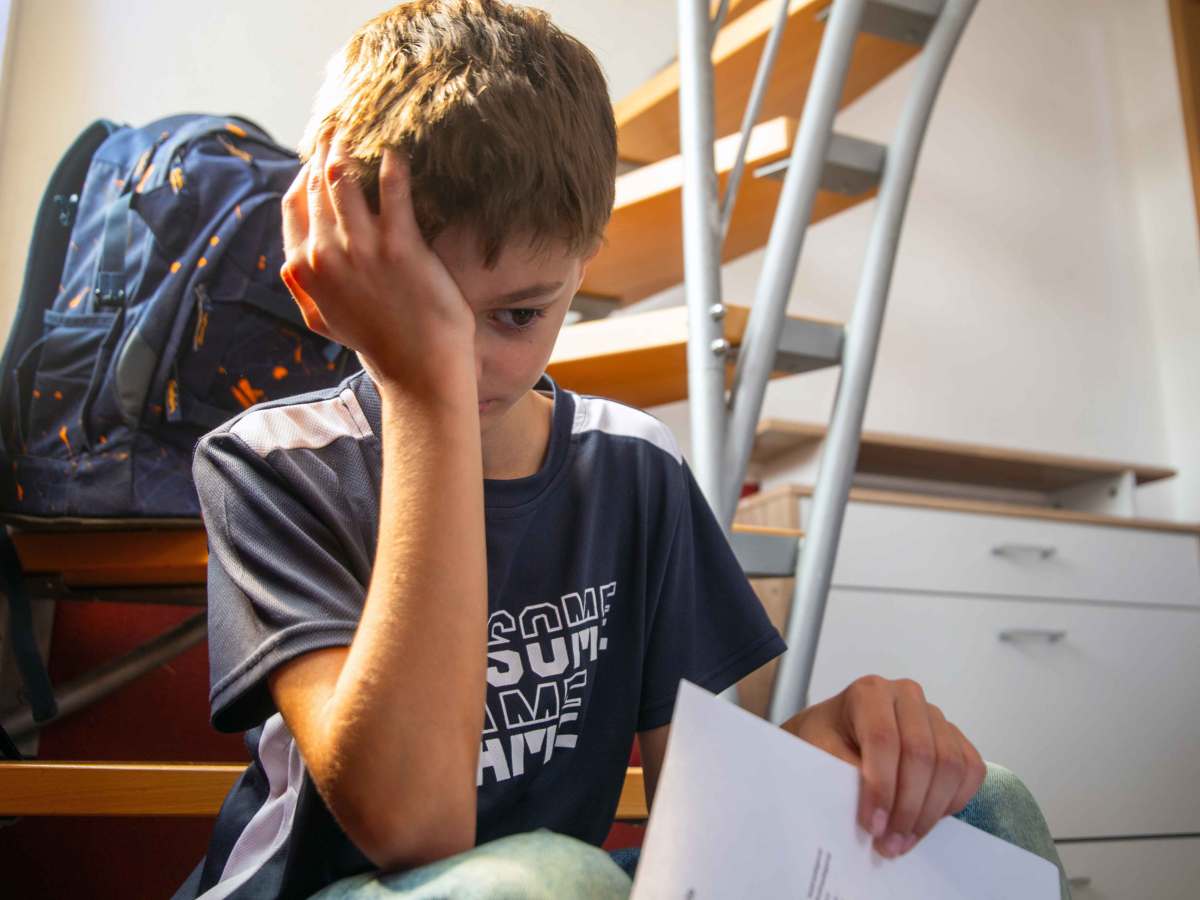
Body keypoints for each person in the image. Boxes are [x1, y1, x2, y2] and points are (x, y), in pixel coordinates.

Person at [172, 2, 1069, 898]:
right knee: (548, 880)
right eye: (429, 312)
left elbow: (704, 821)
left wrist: (837, 740)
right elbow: (415, 828)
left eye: (517, 315)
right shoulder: (270, 464)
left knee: (993, 808)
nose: (469, 361)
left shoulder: (633, 466)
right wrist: (424, 389)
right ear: (330, 282)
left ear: (585, 263)